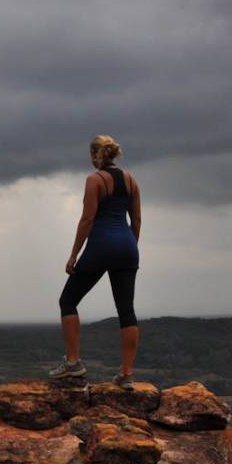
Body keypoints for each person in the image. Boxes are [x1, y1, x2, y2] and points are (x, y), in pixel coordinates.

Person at [48, 135, 141, 389]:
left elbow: (87, 220)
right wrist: (130, 246)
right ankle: (127, 374)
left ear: (94, 156)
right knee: (127, 310)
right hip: (127, 247)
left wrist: (73, 254)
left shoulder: (95, 180)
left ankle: (73, 363)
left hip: (101, 246)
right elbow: (137, 220)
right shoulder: (132, 180)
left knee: (68, 300)